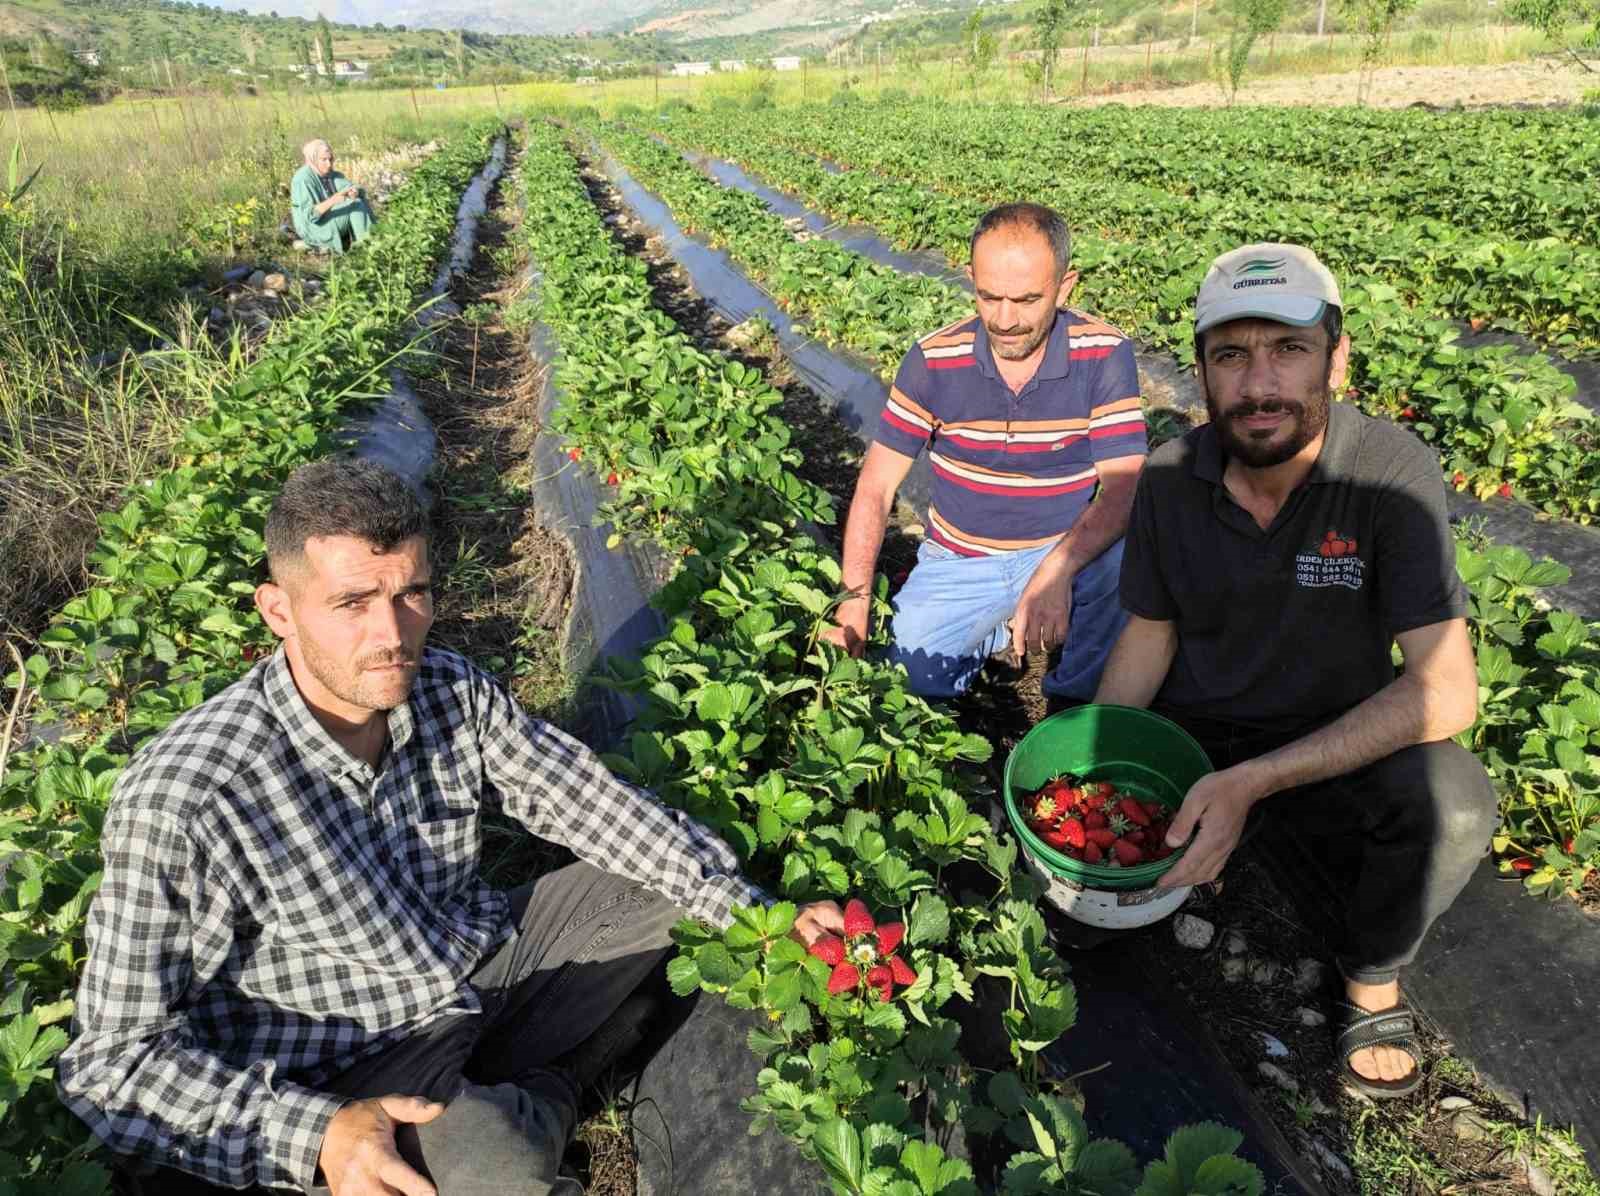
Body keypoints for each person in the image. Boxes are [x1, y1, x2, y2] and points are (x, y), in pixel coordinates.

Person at [57, 458, 844, 1196]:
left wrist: (759, 915)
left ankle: (526, 1082)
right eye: (352, 603)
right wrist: (318, 1132)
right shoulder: (191, 796)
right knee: (489, 1160)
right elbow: (109, 1065)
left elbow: (590, 805)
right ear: (277, 610)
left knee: (669, 884)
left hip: (471, 967)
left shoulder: (446, 688)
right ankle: (554, 1090)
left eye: (412, 594)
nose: (393, 634)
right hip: (344, 1070)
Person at [1094, 243, 1498, 1099]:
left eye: (1288, 350)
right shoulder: (1173, 476)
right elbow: (1148, 637)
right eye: (1231, 356)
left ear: (1337, 358)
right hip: (1196, 743)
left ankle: (1372, 978)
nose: (1259, 384)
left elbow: (1449, 689)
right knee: (1094, 808)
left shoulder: (1388, 473)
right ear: (1201, 369)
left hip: (1328, 746)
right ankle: (1147, 861)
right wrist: (1099, 766)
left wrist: (1257, 782)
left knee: (1456, 800)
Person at [823, 202, 1147, 701]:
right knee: (906, 684)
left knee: (1133, 557)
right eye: (989, 296)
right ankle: (997, 629)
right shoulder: (934, 359)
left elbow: (1124, 488)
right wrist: (853, 601)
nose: (1005, 320)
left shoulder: (1103, 352)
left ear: (1065, 287)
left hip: (1061, 547)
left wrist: (1056, 571)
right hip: (961, 558)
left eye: (1026, 300)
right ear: (970, 277)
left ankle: (1076, 704)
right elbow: (876, 485)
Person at [291, 139, 376, 254]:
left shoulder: (331, 174)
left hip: (327, 218)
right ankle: (368, 248)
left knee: (359, 199)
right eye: (324, 160)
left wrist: (354, 191)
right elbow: (310, 216)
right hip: (312, 227)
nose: (329, 164)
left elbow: (350, 186)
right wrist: (333, 200)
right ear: (312, 159)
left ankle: (372, 239)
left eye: (330, 159)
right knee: (355, 205)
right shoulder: (303, 179)